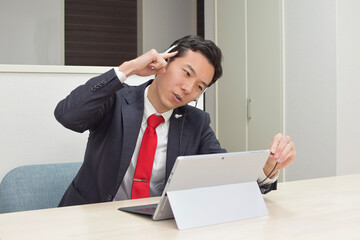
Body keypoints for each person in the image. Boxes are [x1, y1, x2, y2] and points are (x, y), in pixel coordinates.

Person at [55, 35, 296, 206]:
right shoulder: (116, 99)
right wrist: (127, 70)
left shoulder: (197, 123)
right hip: (92, 219)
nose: (188, 88)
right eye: (187, 73)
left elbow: (226, 178)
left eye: (199, 86)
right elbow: (67, 115)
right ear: (165, 61)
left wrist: (266, 170)